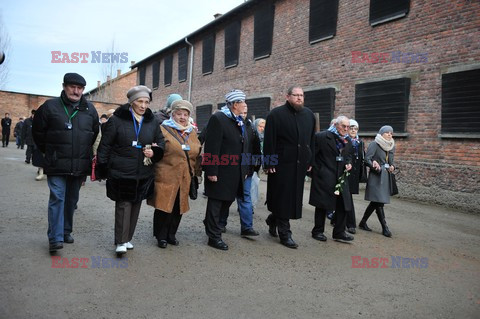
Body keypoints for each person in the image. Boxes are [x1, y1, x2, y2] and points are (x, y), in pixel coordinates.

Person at [32, 73, 99, 252]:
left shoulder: (90, 110)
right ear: (64, 86)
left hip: (79, 165)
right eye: (72, 87)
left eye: (80, 88)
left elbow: (93, 134)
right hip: (56, 164)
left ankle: (66, 231)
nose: (76, 91)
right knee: (58, 197)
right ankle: (55, 238)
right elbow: (38, 133)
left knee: (71, 200)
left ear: (83, 90)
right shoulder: (49, 107)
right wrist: (50, 151)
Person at [96, 85, 165, 255]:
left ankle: (127, 239)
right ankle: (120, 241)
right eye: (140, 101)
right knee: (123, 205)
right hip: (121, 170)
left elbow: (161, 142)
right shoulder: (117, 120)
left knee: (135, 205)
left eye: (146, 102)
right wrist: (102, 167)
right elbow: (105, 145)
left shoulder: (153, 121)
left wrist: (154, 151)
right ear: (132, 102)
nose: (143, 105)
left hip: (143, 171)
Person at [263, 86, 315, 248]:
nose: (299, 98)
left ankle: (273, 219)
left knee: (291, 198)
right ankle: (285, 234)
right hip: (280, 164)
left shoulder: (309, 115)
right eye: (296, 95)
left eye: (301, 95)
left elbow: (311, 140)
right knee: (282, 196)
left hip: (299, 164)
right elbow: (269, 140)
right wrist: (269, 162)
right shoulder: (275, 115)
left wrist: (310, 160)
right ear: (288, 96)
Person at [147, 100, 202, 248]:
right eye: (179, 114)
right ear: (172, 114)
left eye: (185, 114)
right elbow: (155, 151)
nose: (182, 117)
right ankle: (161, 236)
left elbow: (197, 154)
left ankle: (171, 234)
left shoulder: (192, 132)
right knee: (164, 206)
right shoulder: (163, 130)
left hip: (185, 176)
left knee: (179, 207)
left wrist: (197, 173)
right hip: (166, 174)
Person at [202, 89, 249, 250]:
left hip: (235, 171)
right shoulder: (219, 118)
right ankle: (213, 237)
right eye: (243, 102)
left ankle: (212, 225)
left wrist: (245, 169)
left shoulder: (238, 120)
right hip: (220, 171)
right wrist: (211, 171)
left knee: (227, 201)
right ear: (235, 104)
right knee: (216, 203)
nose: (245, 105)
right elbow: (211, 147)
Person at [309, 115, 355, 243]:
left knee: (343, 204)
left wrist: (349, 162)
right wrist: (317, 171)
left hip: (341, 177)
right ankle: (317, 231)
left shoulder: (348, 141)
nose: (346, 129)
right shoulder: (322, 137)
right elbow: (312, 155)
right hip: (325, 176)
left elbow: (348, 155)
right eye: (343, 126)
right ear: (336, 125)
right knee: (322, 204)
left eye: (348, 126)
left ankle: (339, 232)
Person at [219, 106, 261, 237]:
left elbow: (255, 150)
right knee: (227, 197)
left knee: (245, 197)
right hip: (229, 168)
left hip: (245, 169)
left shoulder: (250, 127)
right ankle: (220, 223)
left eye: (246, 112)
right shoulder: (226, 124)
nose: (243, 114)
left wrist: (253, 168)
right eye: (241, 111)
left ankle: (247, 227)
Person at [358, 125, 396, 237]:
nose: (390, 134)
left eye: (391, 133)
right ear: (381, 133)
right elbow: (366, 159)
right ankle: (385, 227)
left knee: (376, 201)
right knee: (379, 202)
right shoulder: (375, 144)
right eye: (387, 132)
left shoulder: (392, 146)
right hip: (376, 175)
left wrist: (392, 166)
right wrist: (375, 166)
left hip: (386, 176)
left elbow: (391, 161)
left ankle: (363, 222)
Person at [345, 119, 366, 234]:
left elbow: (363, 157)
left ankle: (336, 219)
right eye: (351, 128)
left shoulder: (359, 142)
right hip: (345, 172)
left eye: (355, 128)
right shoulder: (344, 140)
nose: (353, 130)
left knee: (346, 198)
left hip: (354, 174)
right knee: (347, 198)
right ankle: (350, 224)